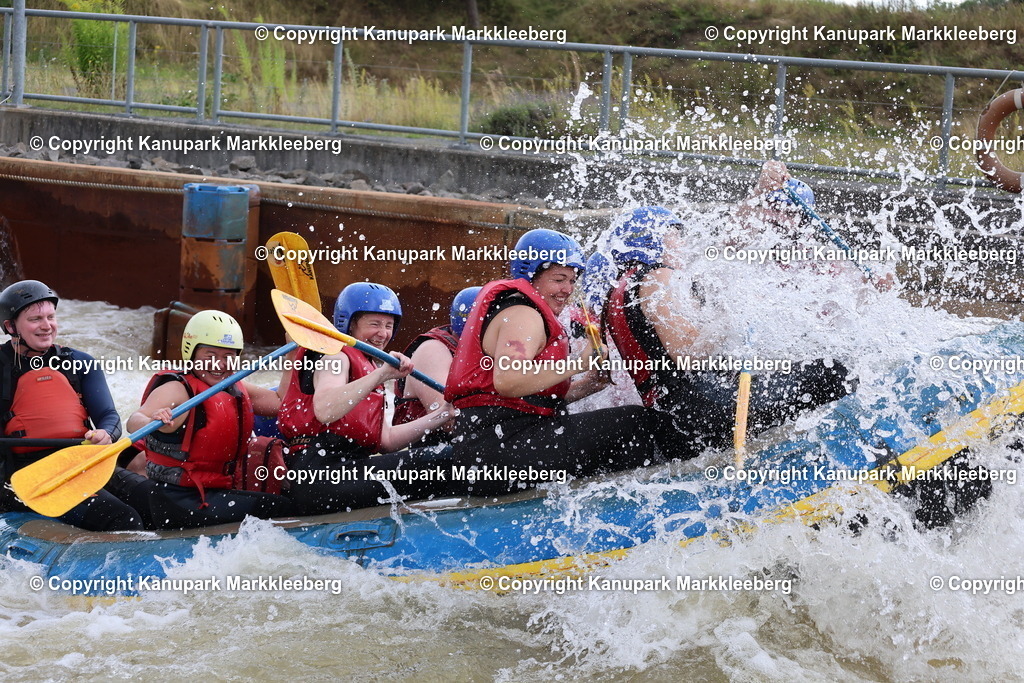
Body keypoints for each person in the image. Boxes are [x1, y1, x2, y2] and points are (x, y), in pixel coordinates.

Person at [444, 228, 685, 498]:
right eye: (559, 279)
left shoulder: (521, 309)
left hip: (491, 451)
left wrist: (587, 385)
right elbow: (508, 381)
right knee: (635, 422)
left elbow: (519, 399)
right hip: (497, 454)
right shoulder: (523, 313)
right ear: (531, 276)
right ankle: (643, 503)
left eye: (572, 280)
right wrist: (578, 364)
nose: (568, 290)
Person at [600, 203, 853, 452]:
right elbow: (688, 355)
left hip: (674, 416)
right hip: (702, 411)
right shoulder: (656, 277)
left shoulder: (619, 290)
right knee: (833, 372)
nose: (683, 244)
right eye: (676, 236)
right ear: (652, 240)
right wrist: (733, 314)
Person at [277, 282, 455, 513]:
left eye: (389, 325)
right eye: (374, 324)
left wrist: (443, 414)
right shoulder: (335, 356)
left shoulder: (368, 368)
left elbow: (387, 441)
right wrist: (381, 375)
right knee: (449, 461)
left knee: (450, 454)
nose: (383, 333)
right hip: (319, 476)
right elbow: (325, 410)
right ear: (350, 324)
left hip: (349, 471)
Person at [128, 310, 298, 529]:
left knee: (283, 500)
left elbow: (280, 403)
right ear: (191, 352)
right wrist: (154, 420)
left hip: (213, 491)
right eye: (210, 355)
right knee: (280, 508)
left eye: (228, 356)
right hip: (178, 500)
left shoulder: (234, 386)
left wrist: (292, 354)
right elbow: (134, 420)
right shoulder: (177, 388)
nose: (219, 364)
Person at [0, 280, 144, 531]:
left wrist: (106, 434)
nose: (47, 326)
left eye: (51, 317)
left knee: (155, 502)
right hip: (25, 474)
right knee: (123, 518)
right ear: (11, 326)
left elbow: (108, 415)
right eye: (35, 319)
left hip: (81, 460)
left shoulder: (79, 362)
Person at [392, 286, 481, 446]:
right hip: (428, 452)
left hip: (467, 448)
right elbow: (448, 422)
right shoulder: (433, 350)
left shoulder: (490, 352)